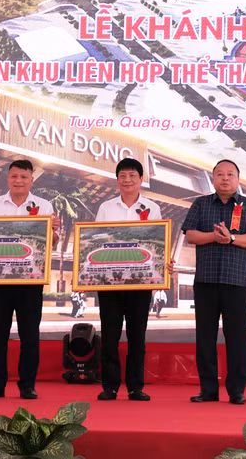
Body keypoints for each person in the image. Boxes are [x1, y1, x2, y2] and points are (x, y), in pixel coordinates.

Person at [182, 159, 246, 405]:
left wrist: (231, 239)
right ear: (213, 178)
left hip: (237, 282)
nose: (225, 178)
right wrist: (214, 236)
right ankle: (208, 389)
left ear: (238, 179)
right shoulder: (200, 203)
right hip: (205, 280)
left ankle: (236, 391)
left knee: (237, 338)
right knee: (205, 337)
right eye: (220, 174)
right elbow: (190, 235)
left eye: (230, 174)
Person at [0, 159, 60, 400]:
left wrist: (54, 231)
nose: (18, 181)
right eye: (14, 176)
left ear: (31, 180)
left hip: (30, 281)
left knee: (29, 335)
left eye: (24, 177)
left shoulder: (44, 206)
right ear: (8, 178)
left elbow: (51, 244)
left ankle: (27, 385)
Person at [94, 157, 162, 401]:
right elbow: (97, 239)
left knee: (137, 336)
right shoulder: (106, 208)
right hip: (109, 282)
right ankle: (110, 387)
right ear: (117, 180)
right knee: (110, 335)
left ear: (141, 179)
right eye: (122, 176)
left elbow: (157, 242)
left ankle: (135, 387)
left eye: (132, 175)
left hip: (140, 282)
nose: (127, 180)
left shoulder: (152, 208)